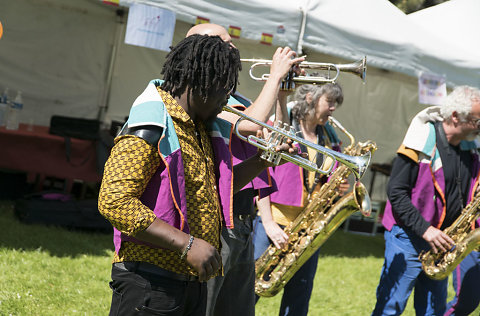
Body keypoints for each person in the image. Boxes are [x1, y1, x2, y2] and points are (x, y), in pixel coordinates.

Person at [98, 34, 295, 316]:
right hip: (151, 282)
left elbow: (215, 191)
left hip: (190, 280)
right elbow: (114, 201)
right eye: (223, 89)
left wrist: (263, 161)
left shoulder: (200, 128)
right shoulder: (152, 123)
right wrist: (187, 244)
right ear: (199, 82)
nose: (227, 98)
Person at [186, 23, 304, 316]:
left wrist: (282, 93)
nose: (234, 48)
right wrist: (275, 75)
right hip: (217, 220)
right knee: (207, 306)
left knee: (238, 309)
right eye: (225, 42)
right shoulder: (206, 100)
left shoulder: (240, 101)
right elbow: (250, 125)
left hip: (243, 220)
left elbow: (271, 131)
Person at [371, 85, 480, 316]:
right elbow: (396, 192)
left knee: (433, 311)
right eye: (478, 122)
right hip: (408, 236)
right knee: (390, 308)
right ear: (455, 116)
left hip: (442, 241)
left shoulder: (470, 151)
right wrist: (426, 230)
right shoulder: (419, 140)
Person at [253, 83, 349, 316]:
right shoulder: (284, 126)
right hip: (274, 223)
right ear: (310, 98)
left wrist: (340, 189)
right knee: (249, 291)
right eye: (330, 102)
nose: (334, 108)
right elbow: (260, 174)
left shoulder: (329, 137)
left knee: (299, 296)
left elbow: (329, 179)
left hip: (308, 227)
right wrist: (268, 223)